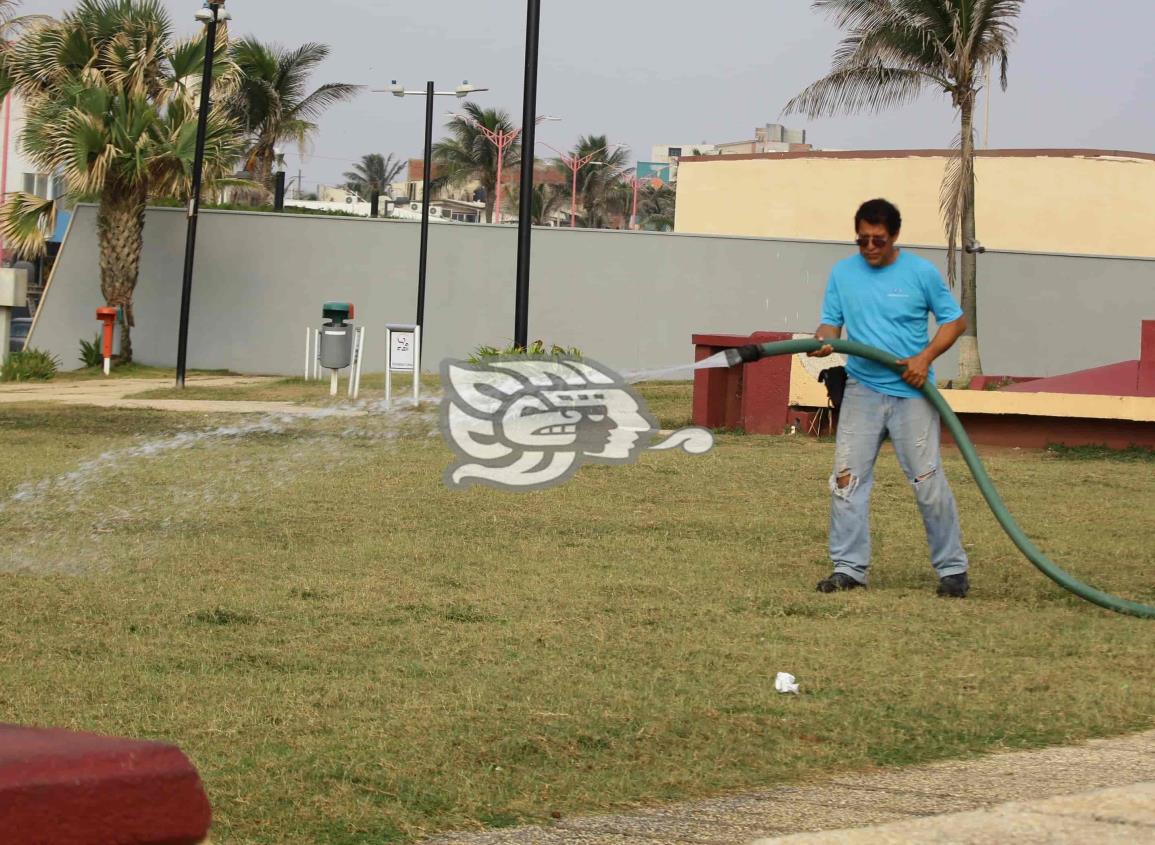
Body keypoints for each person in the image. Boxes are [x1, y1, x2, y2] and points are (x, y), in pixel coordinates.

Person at [809, 198, 970, 597]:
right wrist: (825, 343)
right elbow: (831, 324)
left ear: (894, 236)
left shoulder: (919, 272)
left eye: (877, 240)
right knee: (846, 480)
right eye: (861, 240)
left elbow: (955, 321)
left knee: (927, 481)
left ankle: (952, 570)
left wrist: (924, 358)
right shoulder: (843, 273)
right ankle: (848, 568)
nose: (869, 248)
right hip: (862, 389)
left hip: (912, 393)